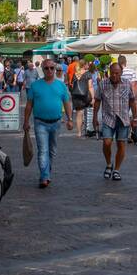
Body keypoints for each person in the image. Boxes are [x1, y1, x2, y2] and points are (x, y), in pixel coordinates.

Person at [24, 59, 72, 188]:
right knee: (43, 150)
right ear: (43, 70)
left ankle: (46, 172)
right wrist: (26, 121)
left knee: (52, 151)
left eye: (52, 68)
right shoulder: (35, 86)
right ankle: (44, 176)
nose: (50, 71)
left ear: (55, 70)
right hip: (40, 123)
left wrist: (70, 119)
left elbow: (67, 103)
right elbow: (29, 105)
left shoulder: (61, 86)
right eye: (47, 68)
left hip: (56, 123)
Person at [96, 62, 137, 182]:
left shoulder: (127, 84)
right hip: (108, 118)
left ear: (121, 73)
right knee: (107, 142)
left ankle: (117, 170)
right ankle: (109, 164)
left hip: (123, 119)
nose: (114, 75)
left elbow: (132, 101)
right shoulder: (103, 84)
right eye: (112, 73)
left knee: (121, 144)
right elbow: (97, 101)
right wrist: (94, 118)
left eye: (117, 73)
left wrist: (135, 118)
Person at [72, 59, 94, 138]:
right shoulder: (88, 74)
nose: (88, 66)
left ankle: (79, 132)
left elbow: (72, 85)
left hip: (77, 95)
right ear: (84, 65)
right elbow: (90, 86)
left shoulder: (75, 73)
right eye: (87, 64)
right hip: (86, 95)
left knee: (79, 113)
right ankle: (88, 129)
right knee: (89, 111)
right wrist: (93, 97)